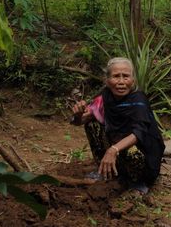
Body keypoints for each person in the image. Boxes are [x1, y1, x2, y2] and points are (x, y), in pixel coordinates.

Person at [71, 57, 165, 193]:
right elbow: (78, 122)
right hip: (118, 150)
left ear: (133, 80)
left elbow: (139, 133)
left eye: (125, 76)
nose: (121, 82)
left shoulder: (138, 100)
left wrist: (113, 150)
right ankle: (105, 171)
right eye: (116, 76)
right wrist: (78, 114)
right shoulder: (105, 97)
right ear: (107, 80)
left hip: (143, 155)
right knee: (92, 124)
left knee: (130, 150)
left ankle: (137, 182)